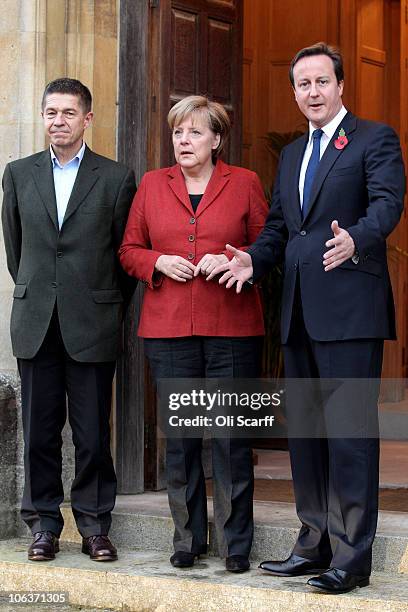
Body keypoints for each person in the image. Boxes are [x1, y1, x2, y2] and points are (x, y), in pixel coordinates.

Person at [209, 43, 405, 593]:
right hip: (298, 310)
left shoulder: (373, 138)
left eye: (321, 82)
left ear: (341, 85)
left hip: (349, 312)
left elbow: (388, 204)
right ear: (294, 91)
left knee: (348, 436)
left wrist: (359, 240)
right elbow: (279, 226)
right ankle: (312, 541)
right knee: (308, 438)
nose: (312, 92)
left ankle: (351, 556)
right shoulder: (293, 154)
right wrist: (254, 257)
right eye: (303, 84)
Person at [119, 95, 268, 572]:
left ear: (216, 140)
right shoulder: (151, 184)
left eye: (194, 132)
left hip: (232, 326)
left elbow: (267, 246)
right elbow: (128, 249)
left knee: (230, 439)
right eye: (178, 132)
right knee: (181, 441)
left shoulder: (244, 183)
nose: (183, 140)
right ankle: (187, 539)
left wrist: (237, 257)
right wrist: (157, 261)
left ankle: (234, 544)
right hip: (168, 329)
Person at [1, 78, 136, 562]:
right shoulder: (17, 174)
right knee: (38, 432)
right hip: (36, 320)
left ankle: (96, 526)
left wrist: (98, 302)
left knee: (92, 434)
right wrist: (42, 292)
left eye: (68, 112)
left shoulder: (117, 177)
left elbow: (124, 259)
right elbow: (17, 252)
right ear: (43, 117)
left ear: (88, 119)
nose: (58, 120)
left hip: (92, 322)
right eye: (51, 112)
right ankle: (43, 525)